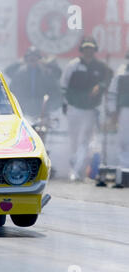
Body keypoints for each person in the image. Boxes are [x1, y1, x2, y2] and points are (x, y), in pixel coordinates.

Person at [60, 36, 113, 182]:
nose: (88, 51)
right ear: (82, 50)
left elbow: (109, 78)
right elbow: (64, 85)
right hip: (74, 107)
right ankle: (73, 167)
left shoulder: (101, 67)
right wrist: (65, 103)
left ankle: (78, 170)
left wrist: (100, 86)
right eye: (86, 48)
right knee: (74, 140)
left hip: (90, 109)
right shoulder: (73, 65)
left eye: (91, 48)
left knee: (85, 140)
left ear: (94, 50)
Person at [5, 46, 61, 120]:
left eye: (35, 57)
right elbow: (8, 71)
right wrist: (20, 61)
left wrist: (49, 106)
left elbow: (57, 76)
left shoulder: (45, 72)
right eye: (30, 58)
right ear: (26, 59)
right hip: (23, 110)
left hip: (42, 111)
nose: (32, 60)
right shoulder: (20, 72)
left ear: (39, 58)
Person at [107, 50, 129, 186]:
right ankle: (124, 174)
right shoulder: (121, 74)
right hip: (125, 110)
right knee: (123, 140)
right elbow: (113, 93)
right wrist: (113, 111)